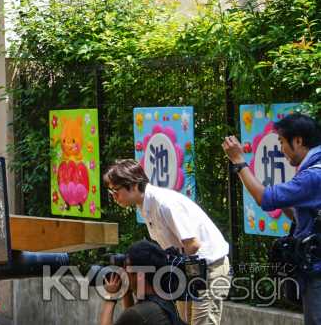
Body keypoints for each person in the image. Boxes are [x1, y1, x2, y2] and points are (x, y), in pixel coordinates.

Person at [104, 159, 229, 324]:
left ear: (133, 185)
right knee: (182, 321)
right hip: (187, 269)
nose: (113, 196)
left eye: (115, 190)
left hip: (208, 268)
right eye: (110, 192)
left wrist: (171, 275)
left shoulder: (164, 203)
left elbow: (193, 244)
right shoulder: (145, 205)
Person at [223, 112, 321, 323]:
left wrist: (238, 161)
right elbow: (303, 218)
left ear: (298, 141)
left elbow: (263, 198)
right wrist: (284, 198)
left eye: (282, 141)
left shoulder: (313, 176)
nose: (281, 149)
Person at [98, 240, 187, 325]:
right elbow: (132, 321)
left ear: (140, 275)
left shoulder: (139, 313)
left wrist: (111, 297)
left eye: (127, 268)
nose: (123, 272)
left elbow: (133, 316)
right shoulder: (165, 303)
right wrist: (127, 293)